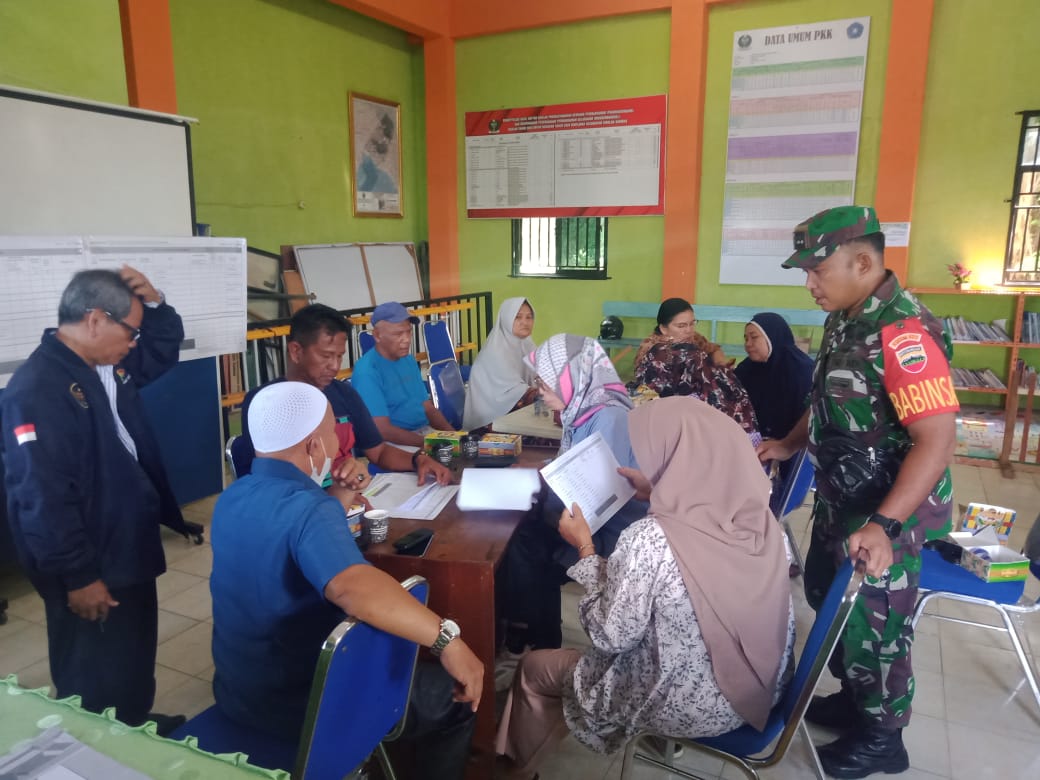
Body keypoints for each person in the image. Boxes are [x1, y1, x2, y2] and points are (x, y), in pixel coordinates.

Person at [759, 205, 958, 779]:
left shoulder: (903, 333)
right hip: (845, 498)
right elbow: (826, 401)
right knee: (829, 598)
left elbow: (935, 441)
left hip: (889, 512)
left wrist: (886, 525)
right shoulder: (845, 317)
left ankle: (883, 737)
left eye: (818, 271)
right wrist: (789, 443)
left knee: (877, 622)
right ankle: (855, 698)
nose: (809, 284)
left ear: (864, 261)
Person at [495, 397, 795, 778]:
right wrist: (657, 490)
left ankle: (513, 770)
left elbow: (609, 634)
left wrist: (584, 545)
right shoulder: (763, 523)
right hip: (759, 693)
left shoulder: (652, 539)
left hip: (690, 706)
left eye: (656, 457)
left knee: (535, 670)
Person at [210, 382, 482, 778]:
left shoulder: (234, 497)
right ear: (314, 447)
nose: (337, 443)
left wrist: (338, 492)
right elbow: (351, 587)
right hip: (303, 707)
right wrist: (447, 640)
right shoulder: (308, 511)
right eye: (330, 434)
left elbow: (299, 535)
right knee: (452, 700)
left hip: (239, 693)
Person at [0, 267, 191, 734]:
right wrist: (78, 575)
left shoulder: (107, 364)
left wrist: (158, 303)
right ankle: (93, 748)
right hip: (91, 556)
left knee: (130, 649)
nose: (135, 341)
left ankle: (132, 722)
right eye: (131, 330)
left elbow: (162, 348)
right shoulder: (39, 389)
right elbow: (41, 496)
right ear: (94, 319)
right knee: (92, 667)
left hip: (126, 541)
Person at [498, 335, 648, 652]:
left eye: (546, 383)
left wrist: (541, 487)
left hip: (613, 531)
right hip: (595, 516)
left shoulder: (608, 418)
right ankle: (528, 626)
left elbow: (596, 496)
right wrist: (540, 471)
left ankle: (539, 637)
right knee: (525, 528)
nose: (540, 391)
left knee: (526, 540)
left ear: (572, 379)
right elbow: (577, 461)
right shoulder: (585, 409)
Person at [237, 303, 451, 485]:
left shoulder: (343, 394)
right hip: (300, 507)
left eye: (339, 357)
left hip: (350, 498)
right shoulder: (264, 403)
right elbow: (261, 477)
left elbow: (379, 452)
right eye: (326, 356)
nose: (334, 366)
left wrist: (417, 460)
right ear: (296, 351)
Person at [351, 301, 456, 447]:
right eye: (398, 333)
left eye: (409, 332)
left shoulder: (408, 360)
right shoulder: (367, 372)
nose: (406, 339)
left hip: (424, 433)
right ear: (377, 335)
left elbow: (427, 408)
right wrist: (431, 444)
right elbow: (382, 430)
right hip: (393, 444)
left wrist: (454, 437)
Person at [736, 312, 815, 487]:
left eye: (754, 337)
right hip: (752, 448)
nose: (748, 344)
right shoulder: (747, 369)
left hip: (788, 452)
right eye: (746, 338)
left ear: (772, 337)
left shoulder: (802, 371)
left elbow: (810, 418)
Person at [462, 297, 537, 430]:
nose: (524, 322)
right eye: (518, 317)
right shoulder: (495, 351)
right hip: (488, 421)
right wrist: (540, 393)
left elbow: (541, 375)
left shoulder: (526, 344)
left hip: (513, 410)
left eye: (529, 317)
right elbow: (516, 392)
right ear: (506, 319)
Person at [633, 297, 728, 369]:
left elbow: (714, 349)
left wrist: (720, 363)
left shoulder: (693, 338)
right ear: (663, 329)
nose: (689, 330)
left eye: (692, 323)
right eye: (681, 326)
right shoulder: (650, 351)